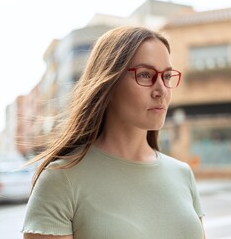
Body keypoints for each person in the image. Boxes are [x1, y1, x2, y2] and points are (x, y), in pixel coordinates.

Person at [22, 26, 206, 239]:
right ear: (108, 84)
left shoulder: (182, 174)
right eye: (145, 75)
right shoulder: (60, 181)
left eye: (166, 76)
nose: (162, 90)